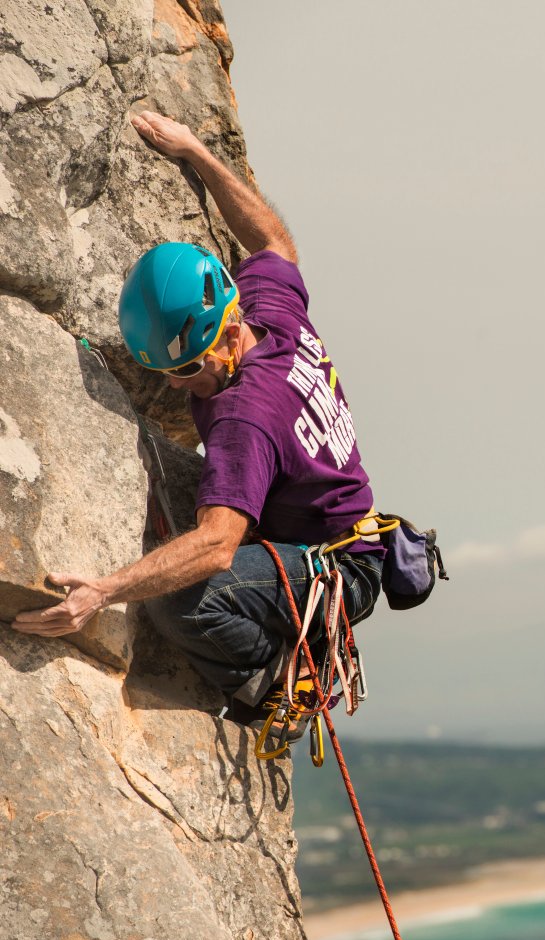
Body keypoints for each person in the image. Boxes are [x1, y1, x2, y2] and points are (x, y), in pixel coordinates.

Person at [11, 111, 384, 740]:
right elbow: (272, 243)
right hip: (343, 539)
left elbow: (216, 545)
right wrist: (197, 153)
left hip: (335, 569)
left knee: (177, 601)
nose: (179, 385)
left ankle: (276, 683)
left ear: (227, 334)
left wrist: (102, 592)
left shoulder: (245, 415)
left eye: (188, 367)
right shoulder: (270, 312)